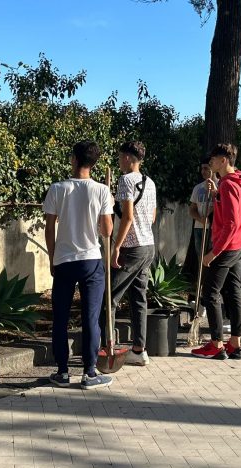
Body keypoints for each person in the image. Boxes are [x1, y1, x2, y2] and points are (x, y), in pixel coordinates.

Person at [44, 140, 115, 389]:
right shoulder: (102, 191)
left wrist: (52, 257)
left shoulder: (57, 188)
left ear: (74, 159)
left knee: (61, 317)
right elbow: (106, 231)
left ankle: (62, 372)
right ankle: (89, 373)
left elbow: (49, 227)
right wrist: (107, 207)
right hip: (91, 260)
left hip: (63, 259)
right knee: (91, 317)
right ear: (93, 164)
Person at [190, 144, 241, 360]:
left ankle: (216, 344)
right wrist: (217, 195)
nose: (210, 163)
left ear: (224, 160)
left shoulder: (228, 185)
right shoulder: (239, 180)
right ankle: (235, 343)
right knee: (234, 293)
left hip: (226, 246)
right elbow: (232, 211)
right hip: (238, 245)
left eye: (213, 159)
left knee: (210, 293)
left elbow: (231, 222)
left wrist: (214, 252)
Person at [101, 141, 157, 366]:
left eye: (120, 156)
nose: (118, 160)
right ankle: (139, 349)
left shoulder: (125, 180)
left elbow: (128, 217)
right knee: (138, 298)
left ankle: (107, 347)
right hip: (148, 246)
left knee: (110, 297)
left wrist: (116, 246)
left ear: (128, 158)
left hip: (131, 248)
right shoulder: (150, 183)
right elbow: (151, 217)